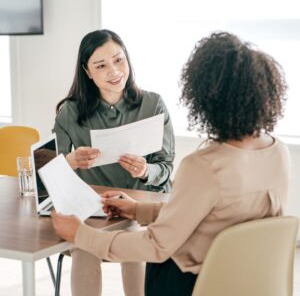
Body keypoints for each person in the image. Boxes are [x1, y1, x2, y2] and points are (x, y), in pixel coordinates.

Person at [52, 32, 290, 296]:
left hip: (194, 284)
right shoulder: (278, 153)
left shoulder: (203, 166)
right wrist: (138, 209)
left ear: (202, 98)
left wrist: (80, 235)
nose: (113, 70)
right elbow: (207, 215)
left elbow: (156, 245)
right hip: (248, 283)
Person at [53, 29, 175, 296]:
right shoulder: (69, 113)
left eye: (119, 60)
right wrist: (70, 162)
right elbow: (52, 177)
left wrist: (146, 171)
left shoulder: (153, 104)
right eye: (101, 65)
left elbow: (165, 168)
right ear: (87, 71)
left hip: (139, 208)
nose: (114, 70)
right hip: (93, 211)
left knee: (136, 241)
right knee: (84, 245)